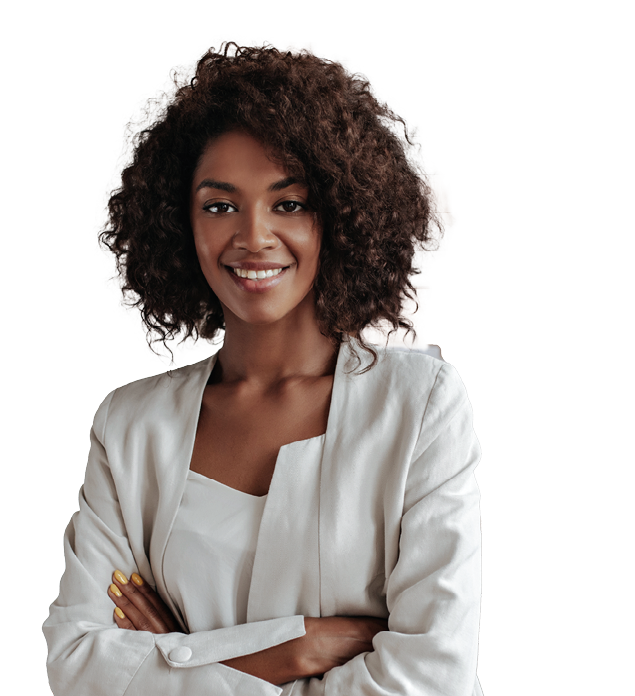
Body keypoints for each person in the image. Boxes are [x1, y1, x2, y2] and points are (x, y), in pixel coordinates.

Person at [42, 40, 483, 696]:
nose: (252, 236)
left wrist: (181, 658)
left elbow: (431, 677)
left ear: (340, 215)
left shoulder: (420, 406)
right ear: (177, 222)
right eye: (220, 205)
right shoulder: (129, 427)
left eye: (289, 203)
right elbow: (79, 666)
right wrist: (292, 648)